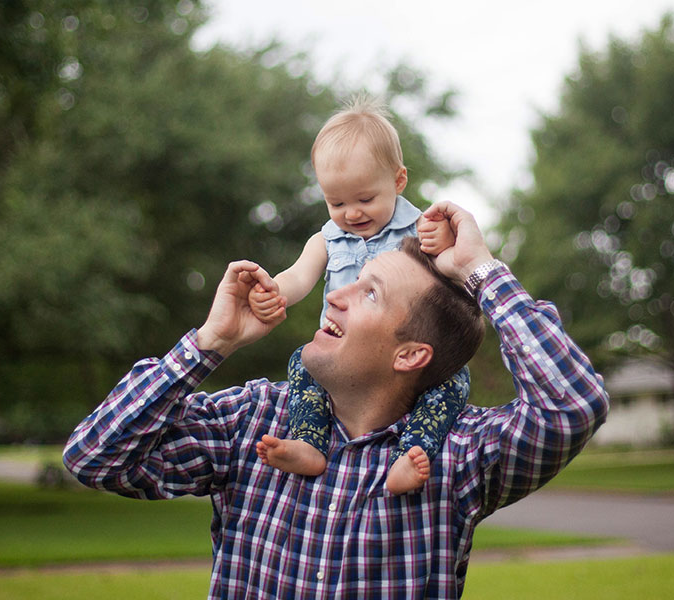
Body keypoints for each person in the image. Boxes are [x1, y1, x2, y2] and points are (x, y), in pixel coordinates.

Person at [63, 201, 609, 599]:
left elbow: (572, 404)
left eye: (370, 292)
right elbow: (94, 456)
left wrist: (480, 271)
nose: (336, 294)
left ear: (410, 355)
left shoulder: (458, 458)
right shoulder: (254, 421)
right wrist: (211, 343)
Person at [248, 96, 464, 494]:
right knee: (302, 367)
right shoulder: (327, 239)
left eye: (365, 199)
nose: (351, 213)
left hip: (410, 353)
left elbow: (454, 274)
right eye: (337, 202)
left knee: (452, 382)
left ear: (398, 181)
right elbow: (299, 277)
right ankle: (310, 443)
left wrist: (446, 237)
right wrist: (273, 291)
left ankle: (414, 450)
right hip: (345, 348)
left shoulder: (419, 228)